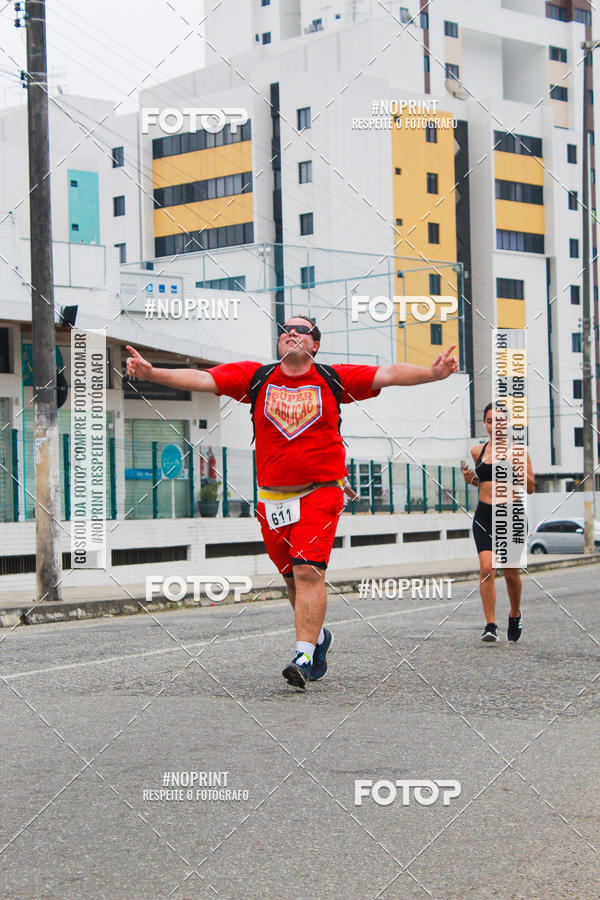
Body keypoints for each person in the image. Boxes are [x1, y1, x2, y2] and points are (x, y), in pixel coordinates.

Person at [126, 317, 458, 687]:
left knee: (308, 571)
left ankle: (304, 655)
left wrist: (432, 374)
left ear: (315, 345)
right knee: (291, 579)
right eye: (286, 330)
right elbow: (204, 379)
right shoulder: (256, 378)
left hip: (320, 490)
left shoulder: (332, 378)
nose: (292, 333)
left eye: (302, 330)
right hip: (272, 499)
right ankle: (318, 637)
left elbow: (389, 373)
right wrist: (152, 373)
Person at [462, 403, 535, 643]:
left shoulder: (519, 452)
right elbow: (484, 483)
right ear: (485, 423)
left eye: (500, 421)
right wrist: (471, 479)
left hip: (510, 515)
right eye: (491, 420)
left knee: (511, 573)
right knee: (486, 569)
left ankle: (515, 614)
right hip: (484, 515)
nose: (495, 425)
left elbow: (531, 487)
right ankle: (490, 624)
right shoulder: (477, 452)